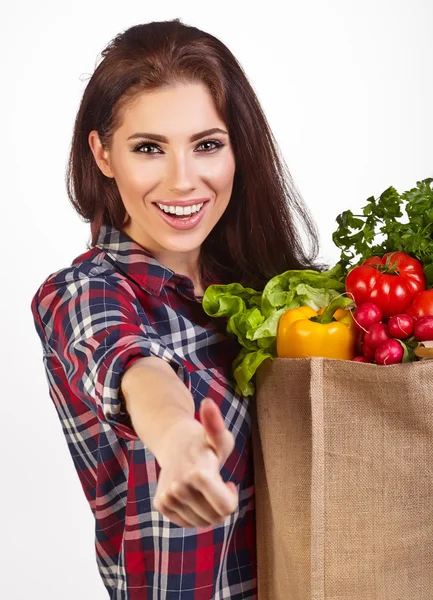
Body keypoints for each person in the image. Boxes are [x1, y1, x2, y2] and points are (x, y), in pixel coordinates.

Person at [30, 18, 320, 600]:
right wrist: (182, 444)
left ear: (238, 147)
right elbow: (135, 369)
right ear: (103, 154)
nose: (184, 181)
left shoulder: (265, 291)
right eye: (148, 149)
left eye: (207, 145)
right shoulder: (84, 293)